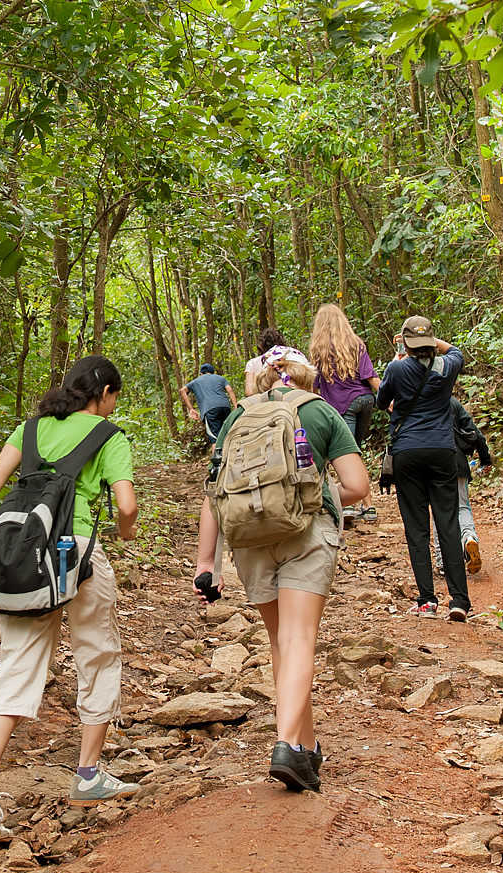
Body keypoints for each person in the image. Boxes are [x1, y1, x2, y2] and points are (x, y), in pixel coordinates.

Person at [0, 356, 140, 840]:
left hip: (19, 553)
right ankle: (89, 774)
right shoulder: (108, 435)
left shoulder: (30, 429)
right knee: (96, 653)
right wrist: (125, 529)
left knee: (17, 663)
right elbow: (125, 504)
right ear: (106, 394)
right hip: (75, 555)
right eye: (114, 397)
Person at [193, 346, 370, 793]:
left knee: (281, 644)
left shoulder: (237, 417)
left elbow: (214, 493)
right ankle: (287, 743)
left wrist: (205, 563)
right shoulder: (321, 412)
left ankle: (306, 751)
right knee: (300, 640)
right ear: (305, 376)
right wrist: (312, 493)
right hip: (306, 535)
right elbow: (358, 486)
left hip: (250, 540)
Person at [375, 315, 470, 620]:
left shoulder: (397, 368)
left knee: (417, 527)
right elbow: (455, 350)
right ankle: (459, 600)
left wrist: (403, 348)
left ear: (405, 342)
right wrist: (430, 341)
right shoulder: (447, 366)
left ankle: (427, 600)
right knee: (448, 524)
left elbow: (381, 402)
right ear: (431, 341)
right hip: (443, 450)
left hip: (407, 452)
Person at [308, 303, 381, 523]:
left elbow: (314, 387)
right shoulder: (356, 344)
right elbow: (371, 378)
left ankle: (356, 507)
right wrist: (392, 400)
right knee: (354, 453)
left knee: (346, 456)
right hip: (365, 400)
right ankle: (367, 505)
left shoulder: (318, 349)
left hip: (342, 406)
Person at [449, 395, 494, 575]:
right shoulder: (452, 402)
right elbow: (475, 432)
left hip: (432, 466)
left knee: (440, 512)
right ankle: (469, 537)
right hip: (457, 461)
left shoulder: (419, 401)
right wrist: (485, 460)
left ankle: (443, 561)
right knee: (461, 507)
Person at [178, 362, 236, 442]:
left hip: (210, 410)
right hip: (225, 407)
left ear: (201, 373)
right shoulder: (220, 378)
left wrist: (191, 409)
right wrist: (235, 406)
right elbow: (230, 390)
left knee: (215, 440)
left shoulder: (196, 381)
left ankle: (217, 453)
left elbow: (182, 390)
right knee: (228, 435)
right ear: (212, 372)